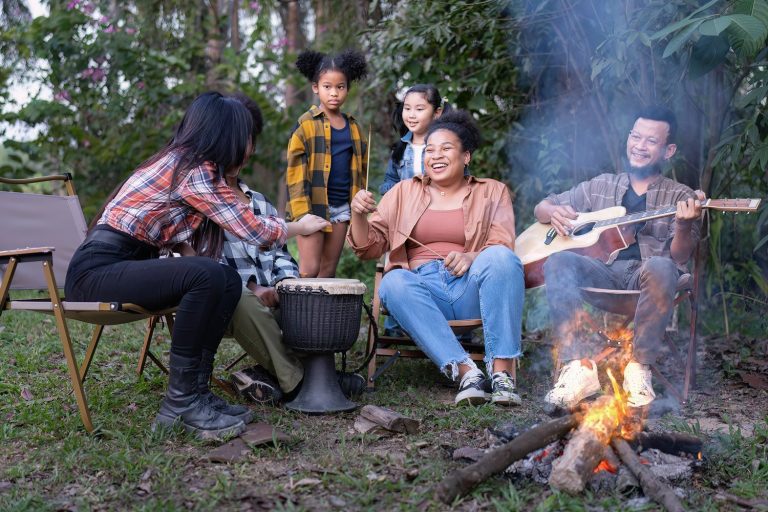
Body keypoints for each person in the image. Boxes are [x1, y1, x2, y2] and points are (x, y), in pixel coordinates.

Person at [65, 92, 329, 441]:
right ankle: (181, 403)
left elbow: (173, 237)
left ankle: (197, 394)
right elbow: (253, 230)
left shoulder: (182, 164)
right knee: (210, 274)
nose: (245, 149)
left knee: (222, 277)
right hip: (97, 272)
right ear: (223, 136)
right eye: (241, 138)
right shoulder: (193, 169)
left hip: (123, 264)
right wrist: (298, 226)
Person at [347, 110, 525, 407]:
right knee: (393, 282)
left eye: (446, 148)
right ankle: (467, 373)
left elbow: (502, 243)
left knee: (502, 259)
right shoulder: (403, 192)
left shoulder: (492, 192)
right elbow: (368, 247)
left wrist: (472, 256)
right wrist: (357, 215)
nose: (436, 156)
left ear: (466, 156)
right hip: (423, 293)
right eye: (429, 150)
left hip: (471, 288)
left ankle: (502, 375)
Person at [534, 105, 704, 411]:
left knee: (663, 265)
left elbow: (681, 255)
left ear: (668, 150)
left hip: (650, 280)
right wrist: (552, 211)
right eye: (635, 137)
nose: (640, 146)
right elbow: (543, 207)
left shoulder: (681, 196)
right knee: (558, 261)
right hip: (602, 272)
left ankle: (639, 370)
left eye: (651, 141)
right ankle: (578, 368)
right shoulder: (601, 186)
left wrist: (684, 223)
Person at [286, 49, 368, 278]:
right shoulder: (306, 125)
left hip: (342, 207)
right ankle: (295, 313)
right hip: (313, 207)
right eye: (327, 87)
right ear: (316, 87)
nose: (334, 93)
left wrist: (357, 205)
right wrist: (302, 213)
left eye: (340, 87)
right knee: (309, 269)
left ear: (348, 89)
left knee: (328, 270)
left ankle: (320, 316)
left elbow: (360, 170)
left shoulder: (354, 127)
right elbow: (294, 173)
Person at [379, 84, 444, 195]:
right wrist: (393, 188)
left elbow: (459, 182)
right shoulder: (400, 148)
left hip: (437, 209)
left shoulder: (445, 147)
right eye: (407, 108)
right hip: (406, 210)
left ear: (436, 113)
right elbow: (390, 180)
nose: (411, 115)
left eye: (419, 109)